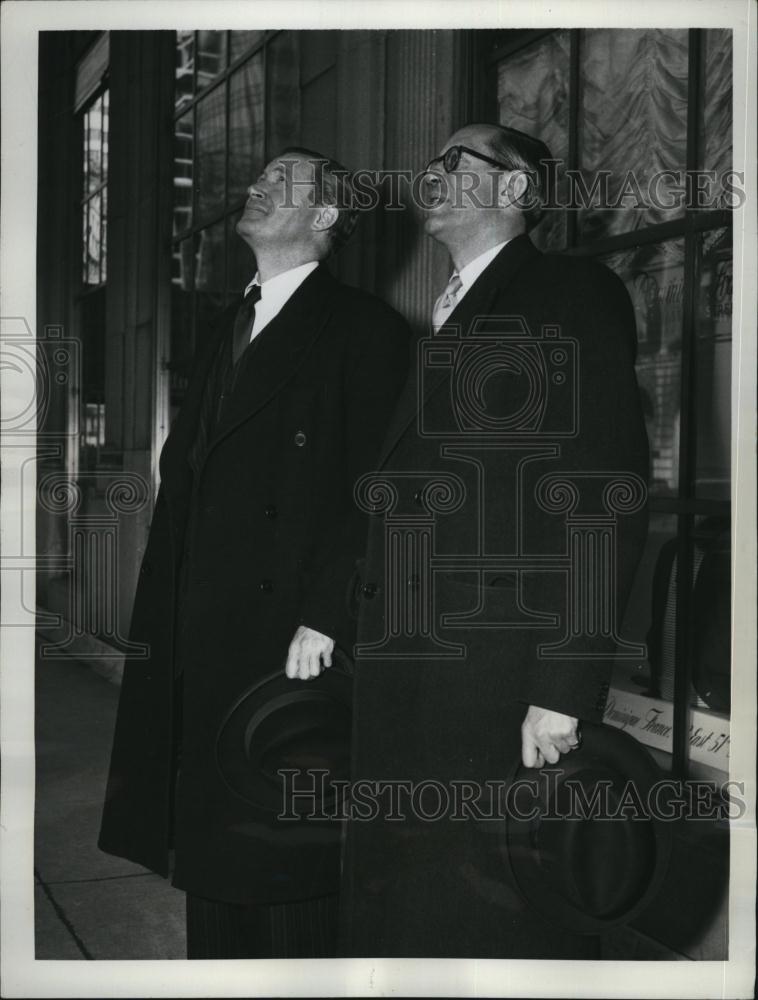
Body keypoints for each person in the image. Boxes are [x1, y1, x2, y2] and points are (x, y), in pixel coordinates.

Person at [337, 123, 650, 957]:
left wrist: (565, 683)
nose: (429, 174)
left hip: (496, 672)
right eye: (429, 161)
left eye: (454, 161)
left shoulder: (570, 292)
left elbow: (602, 490)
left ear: (515, 190)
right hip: (415, 663)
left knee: (491, 914)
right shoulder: (441, 314)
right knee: (414, 906)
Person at [98, 148, 410, 959]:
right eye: (260, 176)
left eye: (285, 181)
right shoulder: (226, 323)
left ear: (326, 217)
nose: (259, 186)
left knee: (281, 860)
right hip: (202, 627)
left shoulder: (364, 328)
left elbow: (374, 485)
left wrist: (326, 613)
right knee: (211, 854)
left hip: (291, 641)